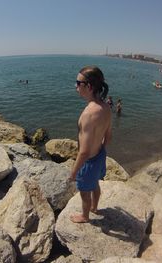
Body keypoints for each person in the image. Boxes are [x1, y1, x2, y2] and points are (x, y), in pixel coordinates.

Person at [69, 66, 112, 223]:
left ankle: (85, 216)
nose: (75, 86)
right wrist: (101, 151)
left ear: (89, 86)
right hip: (100, 154)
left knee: (84, 192)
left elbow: (84, 151)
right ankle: (95, 207)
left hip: (88, 161)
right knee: (95, 184)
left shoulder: (88, 114)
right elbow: (108, 135)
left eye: (78, 82)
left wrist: (74, 172)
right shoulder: (106, 107)